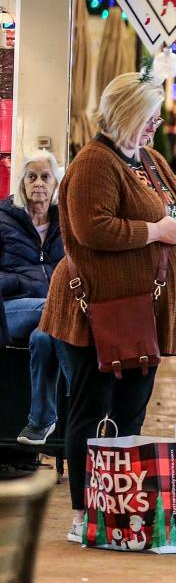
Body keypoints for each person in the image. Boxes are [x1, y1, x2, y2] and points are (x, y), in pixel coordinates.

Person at [40, 72, 176, 542]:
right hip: (93, 314)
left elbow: (166, 212)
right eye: (149, 114)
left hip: (138, 315)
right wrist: (157, 233)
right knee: (92, 412)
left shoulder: (147, 159)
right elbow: (94, 229)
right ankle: (81, 513)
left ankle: (116, 511)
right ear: (126, 111)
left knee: (130, 414)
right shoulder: (94, 163)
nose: (156, 123)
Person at [0, 150, 67, 445]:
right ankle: (82, 395)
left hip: (49, 316)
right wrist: (18, 282)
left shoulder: (65, 222)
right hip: (11, 310)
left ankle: (41, 422)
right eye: (32, 176)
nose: (38, 183)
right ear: (22, 183)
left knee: (43, 337)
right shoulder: (3, 217)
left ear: (55, 184)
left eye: (45, 177)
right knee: (60, 312)